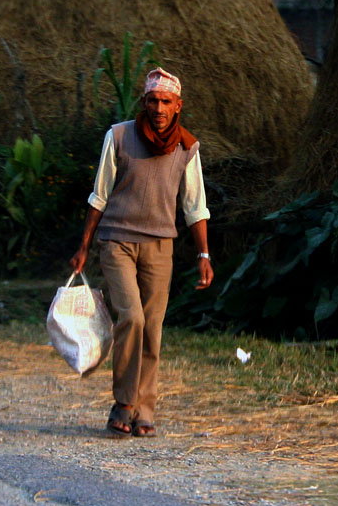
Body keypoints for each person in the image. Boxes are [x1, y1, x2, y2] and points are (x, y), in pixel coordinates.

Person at [70, 67, 213, 438]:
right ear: (144, 102)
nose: (159, 108)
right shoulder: (118, 136)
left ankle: (144, 408)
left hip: (160, 246)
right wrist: (84, 246)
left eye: (166, 101)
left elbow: (194, 205)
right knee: (131, 317)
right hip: (116, 240)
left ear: (178, 106)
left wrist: (203, 255)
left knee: (152, 328)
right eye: (153, 100)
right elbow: (99, 194)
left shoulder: (187, 148)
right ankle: (123, 402)